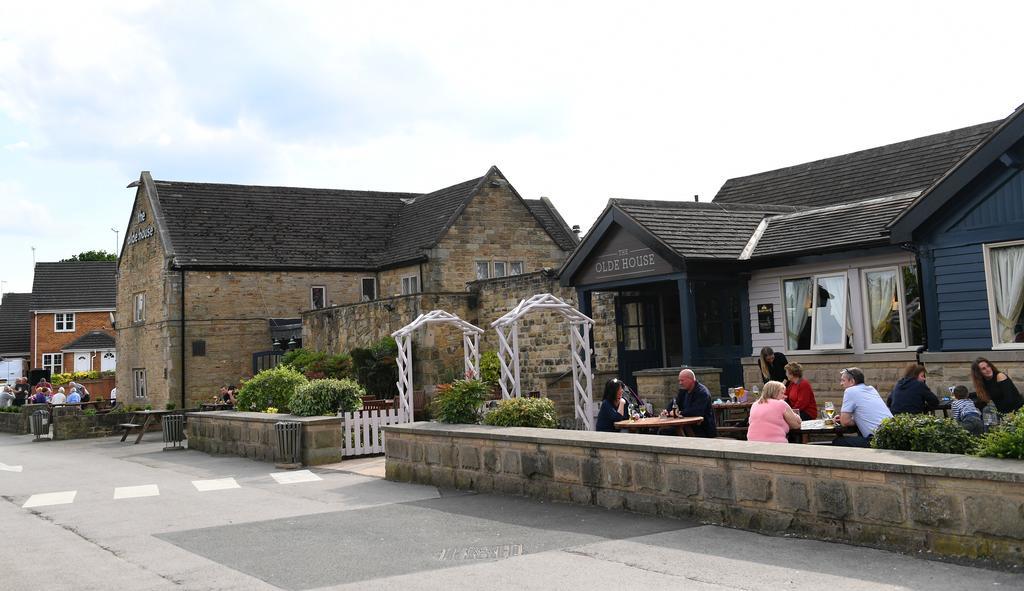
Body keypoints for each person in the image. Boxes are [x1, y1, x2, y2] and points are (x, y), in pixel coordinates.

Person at [833, 367, 893, 447]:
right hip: (892, 435)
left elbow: (845, 422)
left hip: (878, 440)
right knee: (860, 434)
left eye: (843, 380)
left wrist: (847, 419)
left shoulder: (850, 391)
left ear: (852, 381)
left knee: (837, 442)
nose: (841, 383)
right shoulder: (871, 389)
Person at [661, 369, 717, 438]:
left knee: (665, 432)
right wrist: (667, 411)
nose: (680, 383)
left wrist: (678, 413)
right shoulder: (683, 391)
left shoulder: (702, 392)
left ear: (691, 380)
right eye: (679, 380)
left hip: (701, 429)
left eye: (682, 380)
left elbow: (696, 411)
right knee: (658, 430)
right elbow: (674, 403)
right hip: (687, 426)